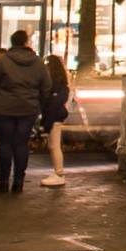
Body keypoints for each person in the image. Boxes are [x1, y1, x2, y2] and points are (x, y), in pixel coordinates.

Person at [0, 30, 49, 193]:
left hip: (3, 109)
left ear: (12, 42)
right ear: (26, 42)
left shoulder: (2, 61)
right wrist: (39, 105)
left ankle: (3, 180)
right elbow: (46, 86)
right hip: (28, 109)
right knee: (21, 144)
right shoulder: (38, 63)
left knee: (4, 144)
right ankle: (18, 182)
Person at [38, 58, 73, 187]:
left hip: (55, 117)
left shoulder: (56, 86)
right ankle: (58, 172)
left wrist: (46, 123)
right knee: (53, 145)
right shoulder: (60, 84)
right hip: (56, 116)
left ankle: (59, 173)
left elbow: (53, 104)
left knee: (54, 145)